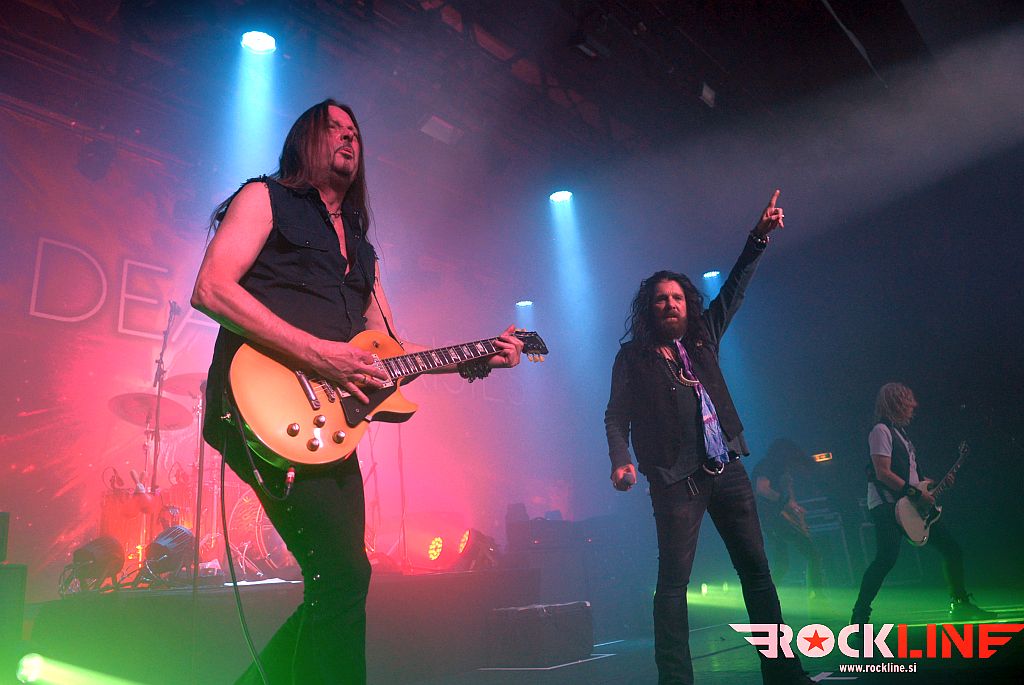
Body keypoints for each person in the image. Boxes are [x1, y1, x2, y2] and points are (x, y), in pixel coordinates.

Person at [191, 99, 523, 685]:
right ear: (305, 140)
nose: (348, 138)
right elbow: (211, 288)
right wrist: (316, 353)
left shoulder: (363, 251)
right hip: (258, 404)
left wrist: (477, 356)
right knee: (341, 577)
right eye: (334, 129)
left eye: (355, 132)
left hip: (325, 423)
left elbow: (390, 351)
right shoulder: (264, 198)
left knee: (342, 580)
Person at [604, 190, 811, 685]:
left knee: (757, 573)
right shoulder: (633, 358)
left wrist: (758, 238)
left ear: (687, 304)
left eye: (677, 297)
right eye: (661, 299)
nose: (670, 304)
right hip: (677, 480)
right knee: (673, 586)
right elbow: (615, 415)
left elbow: (734, 290)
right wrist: (620, 459)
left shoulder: (703, 339)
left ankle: (782, 673)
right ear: (649, 308)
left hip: (728, 470)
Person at [851, 382, 994, 626]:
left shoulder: (901, 435)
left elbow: (911, 476)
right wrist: (916, 494)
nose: (913, 406)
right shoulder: (880, 431)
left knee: (951, 549)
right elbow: (882, 473)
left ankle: (960, 604)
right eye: (908, 402)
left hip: (910, 504)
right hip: (887, 505)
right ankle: (859, 619)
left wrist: (933, 484)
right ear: (896, 403)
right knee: (886, 559)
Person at [753, 439, 824, 597]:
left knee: (782, 564)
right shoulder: (767, 465)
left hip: (775, 519)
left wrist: (797, 515)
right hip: (772, 519)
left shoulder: (782, 471)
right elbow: (762, 489)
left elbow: (789, 500)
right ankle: (817, 597)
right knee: (811, 555)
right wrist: (787, 504)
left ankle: (764, 598)